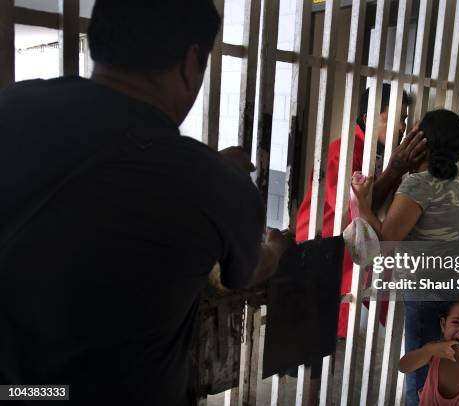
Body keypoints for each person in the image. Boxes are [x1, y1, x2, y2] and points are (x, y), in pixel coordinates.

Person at [0, 1, 289, 405]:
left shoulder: (11, 107)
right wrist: (278, 247)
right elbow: (245, 271)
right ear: (192, 62)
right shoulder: (212, 183)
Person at [350, 109, 459, 405]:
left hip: (428, 295)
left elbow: (384, 241)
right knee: (444, 380)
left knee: (420, 383)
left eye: (413, 132)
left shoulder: (418, 184)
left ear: (422, 143)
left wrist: (361, 200)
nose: (406, 135)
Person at [296, 83, 416, 338]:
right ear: (369, 118)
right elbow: (349, 207)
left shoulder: (378, 153)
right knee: (315, 330)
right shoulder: (345, 150)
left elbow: (367, 207)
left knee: (327, 325)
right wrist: (394, 170)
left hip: (347, 245)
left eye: (404, 119)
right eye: (395, 118)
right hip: (323, 241)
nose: (402, 127)